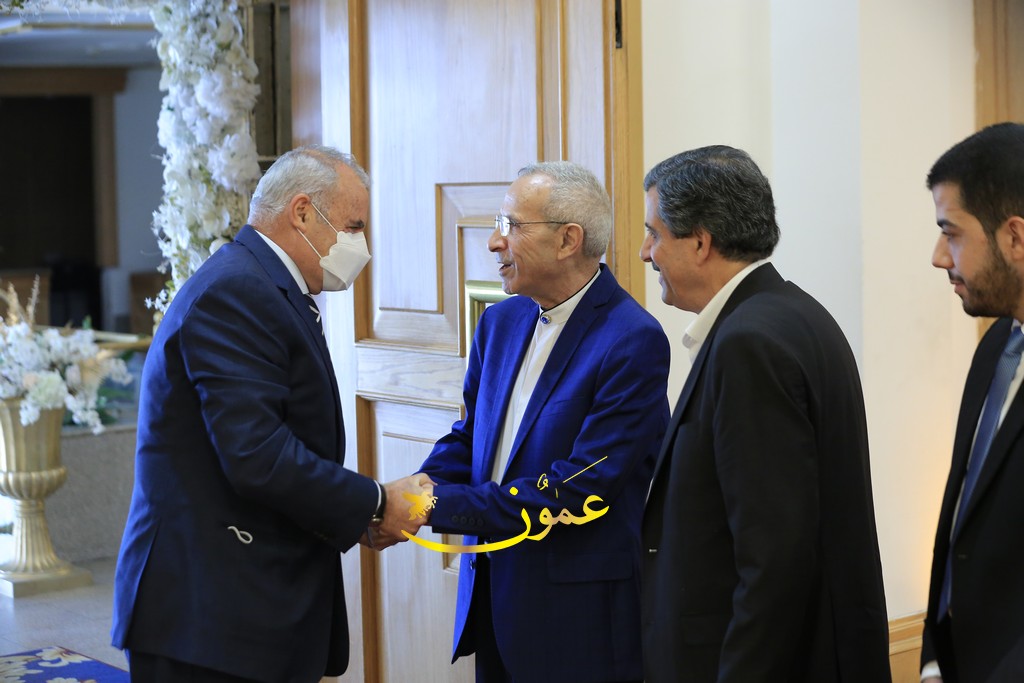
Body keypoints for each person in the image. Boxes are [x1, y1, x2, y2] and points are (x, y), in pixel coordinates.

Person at [111, 145, 430, 683]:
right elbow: (258, 456)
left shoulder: (262, 283)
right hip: (210, 618)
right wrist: (375, 502)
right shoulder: (237, 291)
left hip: (241, 606)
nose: (362, 246)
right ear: (302, 212)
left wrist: (355, 514)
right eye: (353, 227)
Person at [639, 146, 891, 682]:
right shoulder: (794, 313)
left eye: (654, 234)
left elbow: (773, 561)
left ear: (700, 242)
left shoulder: (748, 343)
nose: (645, 253)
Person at [416, 161, 670, 683]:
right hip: (491, 600)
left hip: (574, 621)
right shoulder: (500, 321)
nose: (494, 242)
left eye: (511, 226)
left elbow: (579, 489)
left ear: (567, 240)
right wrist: (420, 484)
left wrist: (431, 506)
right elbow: (472, 437)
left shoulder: (632, 341)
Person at [921, 122, 1024, 683]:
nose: (940, 257)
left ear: (1015, 238)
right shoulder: (995, 349)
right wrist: (934, 659)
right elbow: (962, 515)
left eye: (951, 233)